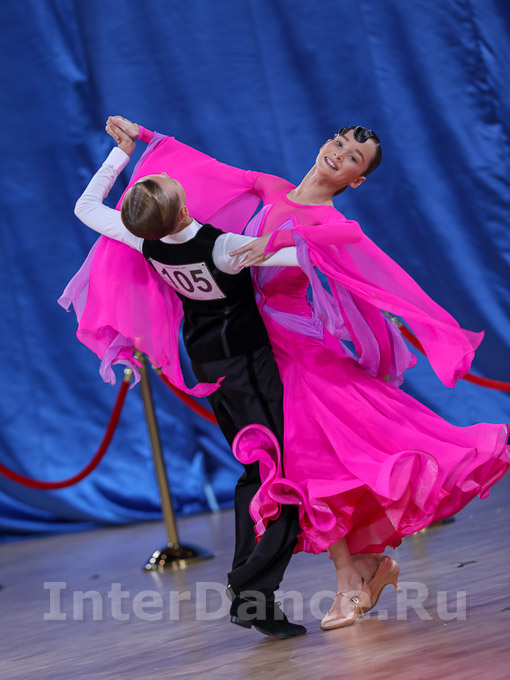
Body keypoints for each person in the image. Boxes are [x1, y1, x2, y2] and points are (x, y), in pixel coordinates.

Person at [64, 117, 510, 631]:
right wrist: (147, 139)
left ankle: (349, 577)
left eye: (353, 158)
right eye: (339, 143)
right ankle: (361, 569)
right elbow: (210, 167)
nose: (339, 154)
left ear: (357, 180)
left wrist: (277, 247)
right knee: (308, 466)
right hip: (257, 349)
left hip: (298, 350)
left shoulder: (329, 220)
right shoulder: (272, 189)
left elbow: (334, 257)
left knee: (318, 463)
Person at [66, 120, 306, 639]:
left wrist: (120, 155)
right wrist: (324, 233)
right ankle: (251, 587)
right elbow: (298, 254)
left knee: (254, 469)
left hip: (206, 363)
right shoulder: (223, 247)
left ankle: (254, 594)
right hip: (246, 364)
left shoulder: (142, 239)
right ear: (180, 211)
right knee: (283, 472)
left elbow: (86, 207)